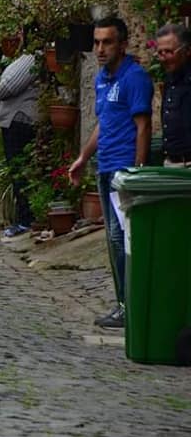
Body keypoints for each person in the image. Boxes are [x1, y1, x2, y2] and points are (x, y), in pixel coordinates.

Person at [69, 17, 152, 329]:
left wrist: (138, 172)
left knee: (123, 240)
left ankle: (131, 306)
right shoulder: (102, 78)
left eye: (107, 42)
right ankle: (123, 304)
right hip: (105, 168)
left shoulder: (135, 78)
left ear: (123, 45)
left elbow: (143, 126)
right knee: (113, 241)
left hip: (123, 171)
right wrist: (82, 157)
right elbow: (103, 124)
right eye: (97, 42)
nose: (100, 49)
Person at [0, 29, 40, 238]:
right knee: (17, 170)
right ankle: (23, 218)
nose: (17, 36)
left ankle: (25, 220)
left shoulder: (32, 59)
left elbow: (10, 85)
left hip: (19, 120)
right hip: (15, 120)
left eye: (21, 32)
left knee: (19, 170)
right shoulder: (29, 58)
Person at [155, 23, 191, 167]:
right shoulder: (170, 80)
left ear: (187, 50)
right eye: (160, 53)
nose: (163, 58)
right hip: (171, 162)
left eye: (169, 52)